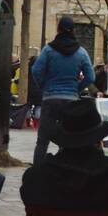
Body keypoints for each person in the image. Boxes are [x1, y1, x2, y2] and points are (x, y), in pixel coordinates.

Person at [29, 16, 95, 165]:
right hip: (71, 101)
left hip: (50, 99)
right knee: (67, 141)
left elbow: (36, 70)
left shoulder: (48, 50)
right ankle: (64, 172)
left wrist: (44, 86)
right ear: (73, 31)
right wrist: (76, 89)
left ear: (58, 29)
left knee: (42, 142)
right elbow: (90, 76)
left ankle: (36, 174)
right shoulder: (81, 52)